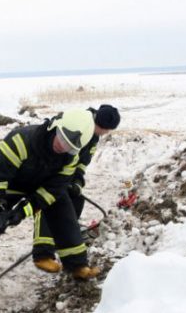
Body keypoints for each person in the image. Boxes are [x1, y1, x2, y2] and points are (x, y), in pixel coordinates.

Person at [0, 105, 118, 283]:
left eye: (69, 147)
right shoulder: (19, 140)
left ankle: (77, 265)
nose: (62, 147)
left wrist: (21, 212)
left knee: (64, 210)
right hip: (13, 182)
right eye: (62, 139)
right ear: (54, 126)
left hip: (42, 183)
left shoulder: (70, 157)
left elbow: (51, 191)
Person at [31, 105, 121, 274]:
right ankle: (43, 253)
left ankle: (69, 254)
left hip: (66, 175)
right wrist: (59, 180)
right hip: (49, 171)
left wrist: (77, 182)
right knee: (50, 200)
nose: (104, 133)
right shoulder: (78, 124)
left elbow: (81, 163)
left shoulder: (93, 137)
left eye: (106, 130)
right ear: (97, 122)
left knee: (75, 200)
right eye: (103, 129)